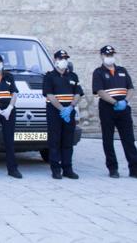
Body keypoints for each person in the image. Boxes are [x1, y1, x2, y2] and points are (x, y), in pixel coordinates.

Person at [92, 45, 137, 178]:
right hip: (107, 109)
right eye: (107, 55)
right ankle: (113, 168)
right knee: (108, 139)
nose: (109, 57)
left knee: (129, 139)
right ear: (101, 56)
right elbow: (100, 91)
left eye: (111, 55)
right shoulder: (98, 72)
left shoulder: (122, 70)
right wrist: (115, 102)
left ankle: (134, 169)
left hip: (124, 109)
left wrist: (125, 102)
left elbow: (130, 88)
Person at [43, 50, 83, 180]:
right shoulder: (49, 76)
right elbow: (49, 95)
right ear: (55, 60)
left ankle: (67, 169)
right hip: (55, 113)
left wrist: (70, 107)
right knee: (55, 141)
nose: (64, 61)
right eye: (61, 58)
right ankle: (56, 169)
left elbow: (78, 93)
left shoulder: (73, 76)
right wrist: (61, 109)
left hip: (69, 113)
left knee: (68, 141)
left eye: (66, 58)